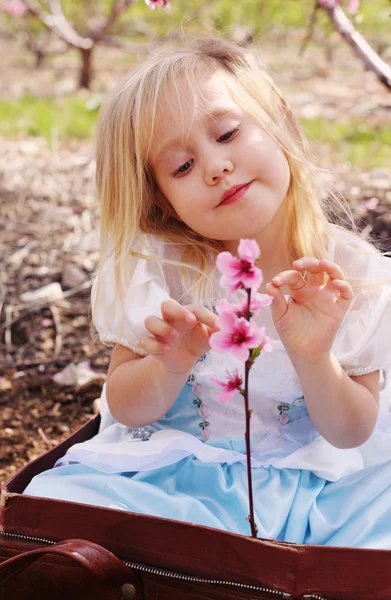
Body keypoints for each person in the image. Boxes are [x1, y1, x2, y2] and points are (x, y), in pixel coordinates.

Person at [24, 37, 391, 548]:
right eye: (182, 167)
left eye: (227, 133)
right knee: (69, 519)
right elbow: (126, 406)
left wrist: (314, 357)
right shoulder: (162, 270)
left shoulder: (352, 277)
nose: (216, 167)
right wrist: (166, 366)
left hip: (323, 490)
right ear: (163, 200)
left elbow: (352, 432)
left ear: (278, 119)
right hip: (180, 478)